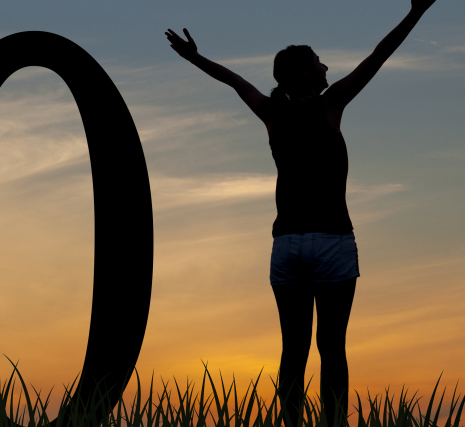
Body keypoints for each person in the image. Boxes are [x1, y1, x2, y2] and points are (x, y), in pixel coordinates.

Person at [165, 2, 435, 426]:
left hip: (287, 244)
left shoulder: (272, 113)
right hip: (331, 240)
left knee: (293, 350)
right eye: (319, 62)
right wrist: (417, 11)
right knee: (332, 347)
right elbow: (379, 55)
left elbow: (233, 81)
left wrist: (195, 57)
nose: (326, 66)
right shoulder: (330, 106)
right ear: (309, 74)